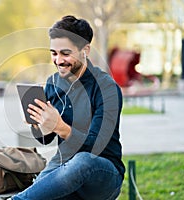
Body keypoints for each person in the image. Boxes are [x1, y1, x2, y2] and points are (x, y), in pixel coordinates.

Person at [12, 15, 125, 200]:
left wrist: (60, 127)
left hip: (102, 175)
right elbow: (45, 139)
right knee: (38, 190)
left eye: (65, 53)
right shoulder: (52, 83)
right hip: (63, 167)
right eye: (54, 53)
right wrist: (36, 121)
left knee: (82, 161)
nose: (58, 60)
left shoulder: (107, 88)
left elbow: (95, 146)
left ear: (85, 50)